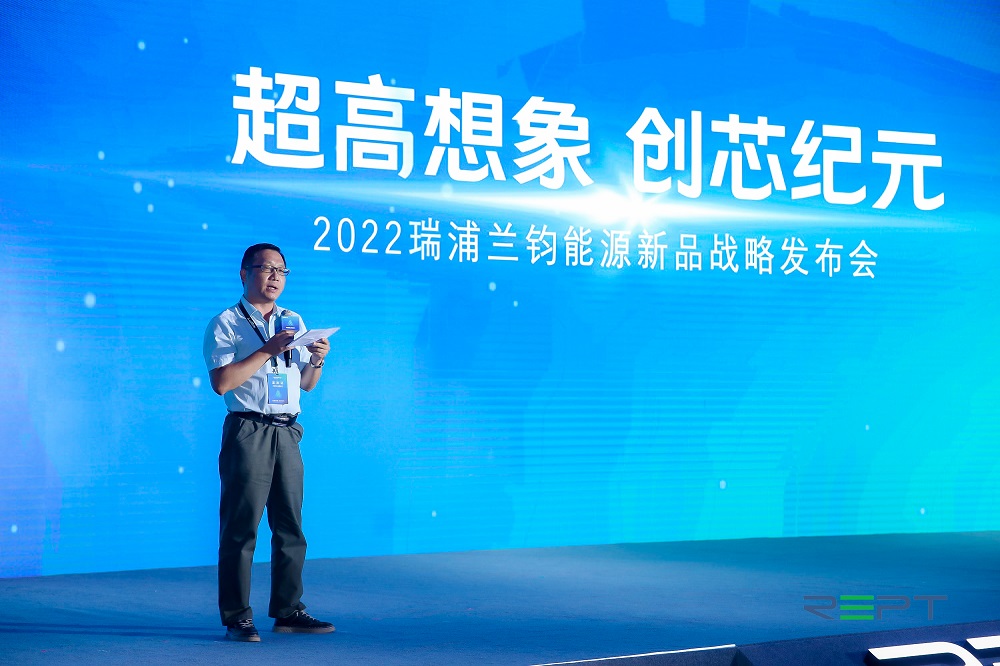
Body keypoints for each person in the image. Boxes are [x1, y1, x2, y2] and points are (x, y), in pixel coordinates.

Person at [203, 242, 334, 642]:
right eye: (266, 268)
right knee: (241, 528)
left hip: (288, 431)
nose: (275, 276)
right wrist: (266, 350)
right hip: (249, 430)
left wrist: (318, 359)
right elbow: (222, 383)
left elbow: (306, 385)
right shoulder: (226, 323)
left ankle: (289, 610)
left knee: (291, 526)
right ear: (244, 274)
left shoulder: (293, 320)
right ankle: (237, 617)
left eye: (282, 270)